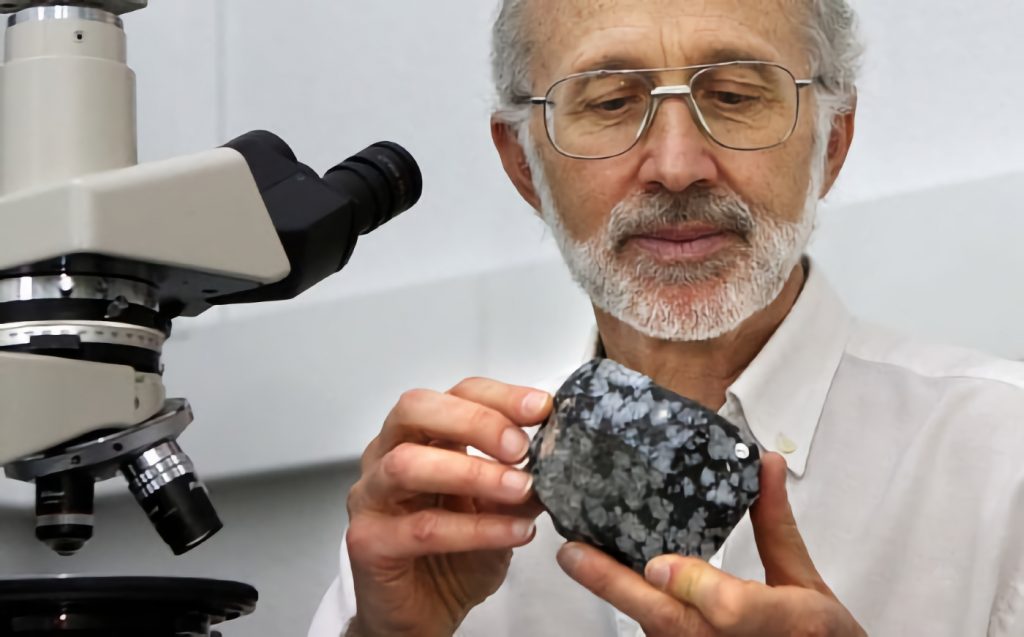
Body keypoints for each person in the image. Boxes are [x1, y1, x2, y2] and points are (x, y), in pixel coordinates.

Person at [309, 1, 1024, 635]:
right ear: (524, 165)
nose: (678, 166)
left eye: (737, 94)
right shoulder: (439, 516)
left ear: (831, 142)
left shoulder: (1004, 462)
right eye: (612, 102)